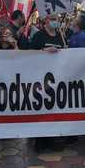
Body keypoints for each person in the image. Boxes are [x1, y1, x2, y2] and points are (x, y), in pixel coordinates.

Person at [30, 14, 66, 152]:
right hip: (41, 79)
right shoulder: (39, 36)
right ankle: (40, 140)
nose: (55, 21)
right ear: (46, 20)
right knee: (42, 108)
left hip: (57, 79)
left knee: (54, 108)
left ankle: (52, 138)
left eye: (56, 19)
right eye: (52, 19)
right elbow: (29, 53)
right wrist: (44, 51)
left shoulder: (60, 36)